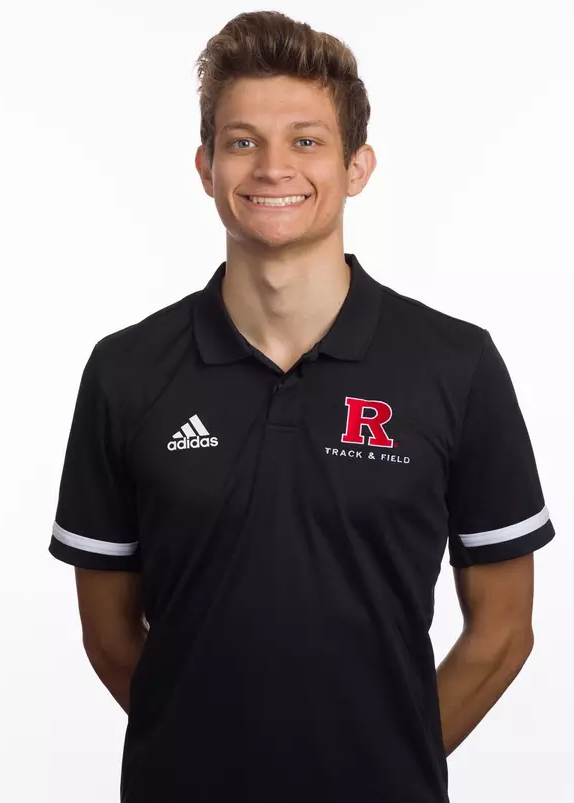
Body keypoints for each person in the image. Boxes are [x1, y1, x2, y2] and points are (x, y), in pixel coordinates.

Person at [48, 10, 555, 803]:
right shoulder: (125, 371)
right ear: (205, 166)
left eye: (306, 140)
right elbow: (107, 632)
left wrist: (387, 764)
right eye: (242, 141)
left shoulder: (456, 365)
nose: (272, 166)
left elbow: (502, 631)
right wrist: (199, 756)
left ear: (357, 166)